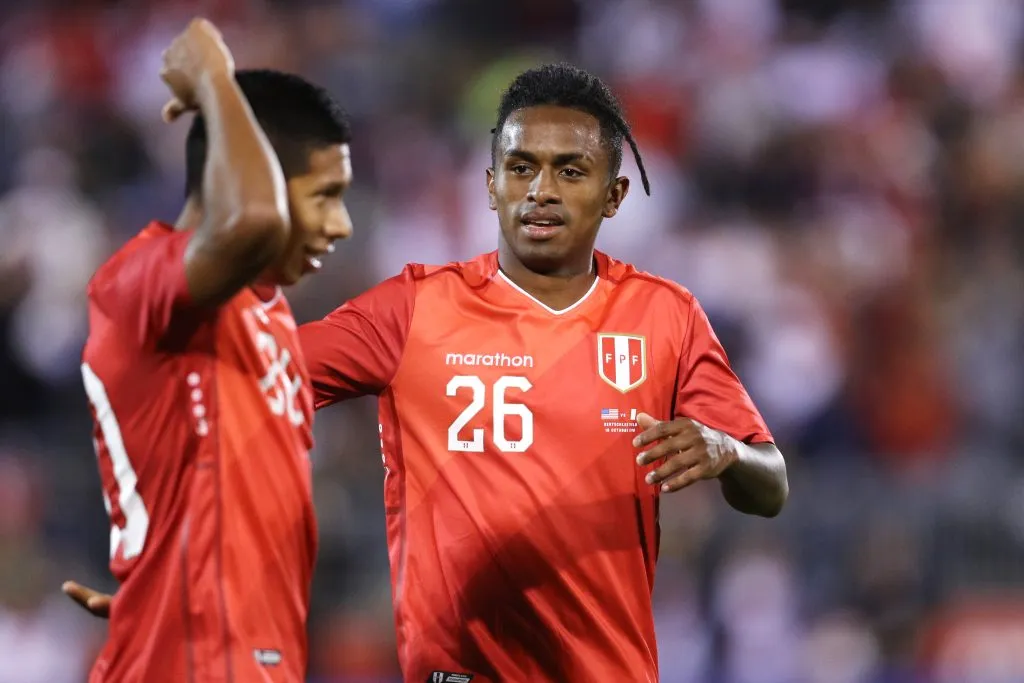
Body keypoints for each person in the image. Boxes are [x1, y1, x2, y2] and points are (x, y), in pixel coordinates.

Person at [67, 63, 787, 682]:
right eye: (520, 167)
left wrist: (727, 453)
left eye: (570, 170)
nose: (540, 189)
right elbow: (246, 380)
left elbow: (771, 483)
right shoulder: (414, 308)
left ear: (613, 195)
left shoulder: (665, 316)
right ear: (489, 184)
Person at [68, 18, 353, 683]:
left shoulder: (274, 320)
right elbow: (251, 221)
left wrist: (154, 596)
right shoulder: (138, 281)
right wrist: (215, 79)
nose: (341, 223)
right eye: (324, 197)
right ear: (256, 182)